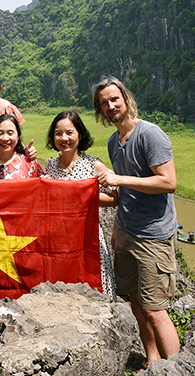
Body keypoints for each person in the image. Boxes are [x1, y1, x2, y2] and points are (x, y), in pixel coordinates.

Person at [93, 77, 180, 368]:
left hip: (153, 235)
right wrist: (116, 228)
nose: (110, 106)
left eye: (114, 99)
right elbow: (124, 195)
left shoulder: (150, 135)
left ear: (126, 99)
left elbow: (169, 182)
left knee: (156, 309)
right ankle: (152, 361)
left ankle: (177, 368)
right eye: (104, 103)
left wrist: (119, 179)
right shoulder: (113, 142)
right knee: (135, 303)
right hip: (127, 232)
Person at [44, 110, 118, 301]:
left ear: (80, 135)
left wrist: (85, 196)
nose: (64, 138)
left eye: (70, 132)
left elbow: (114, 198)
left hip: (88, 236)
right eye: (58, 133)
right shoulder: (51, 166)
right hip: (59, 237)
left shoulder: (94, 165)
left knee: (94, 286)